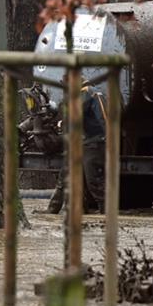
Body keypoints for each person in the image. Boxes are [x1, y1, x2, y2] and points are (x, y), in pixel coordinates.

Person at [44, 81, 107, 214]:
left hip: (93, 143)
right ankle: (52, 210)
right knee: (64, 177)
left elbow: (103, 118)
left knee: (93, 181)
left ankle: (105, 212)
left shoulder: (91, 93)